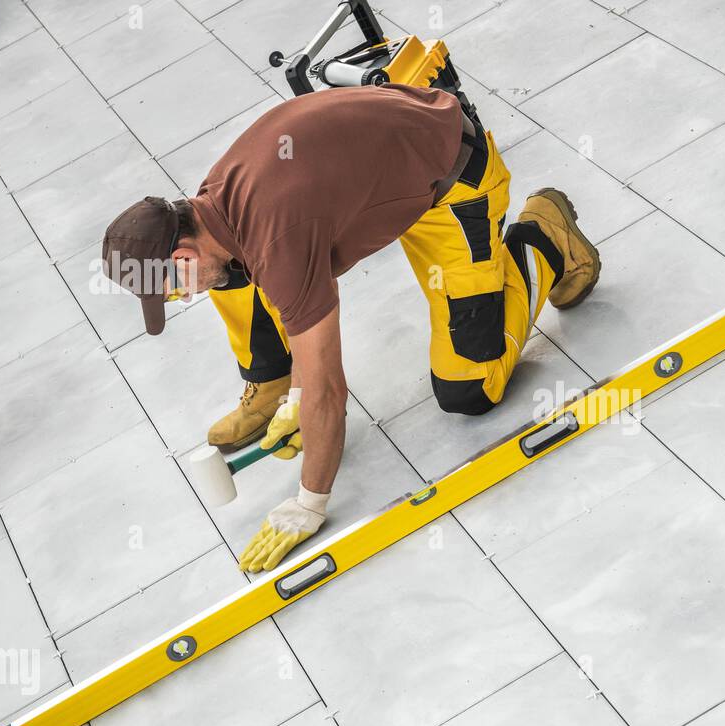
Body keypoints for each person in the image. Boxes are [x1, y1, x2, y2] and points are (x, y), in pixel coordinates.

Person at [101, 83, 600, 572]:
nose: (184, 298)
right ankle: (274, 382)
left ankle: (544, 237)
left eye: (172, 290)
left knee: (469, 387)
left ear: (182, 253)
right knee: (234, 277)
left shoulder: (277, 239)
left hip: (456, 185)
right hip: (404, 161)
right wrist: (294, 398)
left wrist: (308, 503)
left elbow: (328, 391)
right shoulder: (214, 204)